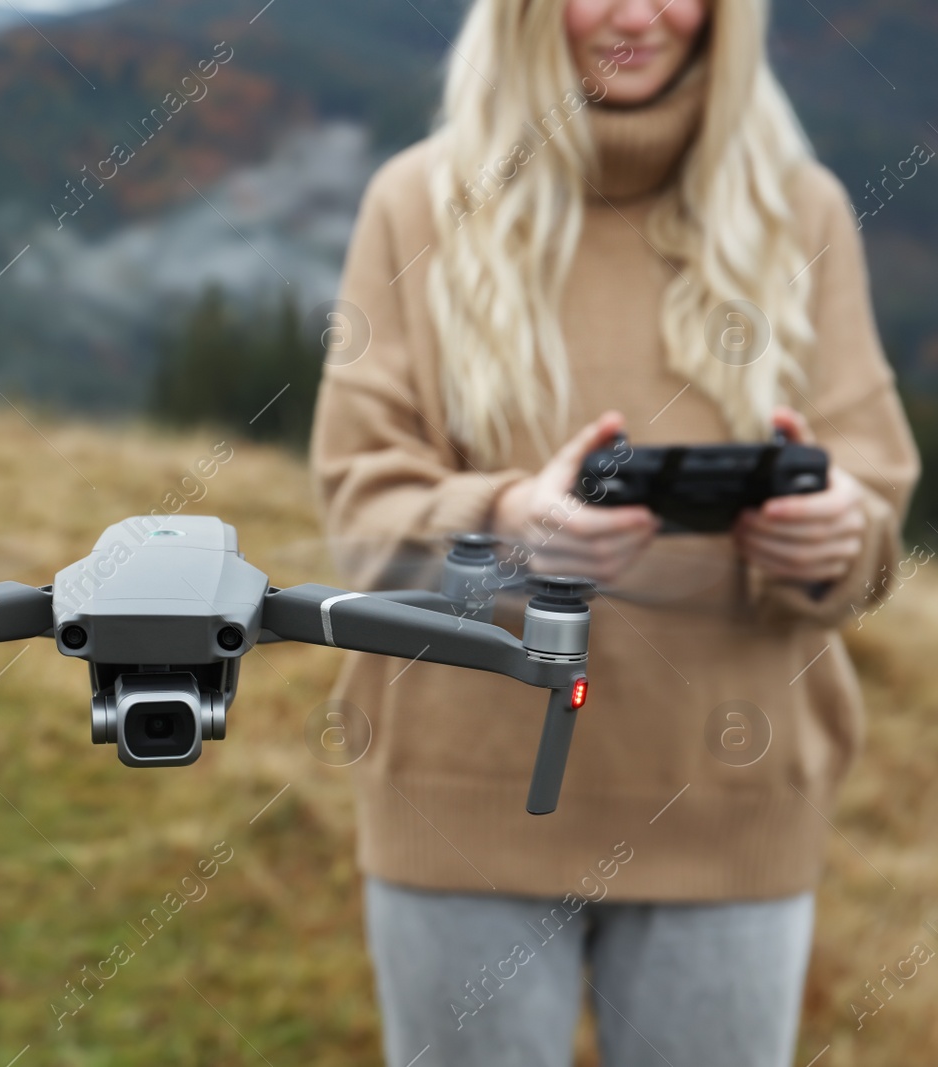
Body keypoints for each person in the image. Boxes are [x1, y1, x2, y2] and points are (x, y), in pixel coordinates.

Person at [308, 0, 921, 1064]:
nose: (636, 15)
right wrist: (502, 527)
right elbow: (360, 514)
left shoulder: (803, 212)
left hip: (728, 800)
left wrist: (832, 537)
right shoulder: (415, 204)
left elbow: (873, 500)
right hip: (462, 801)